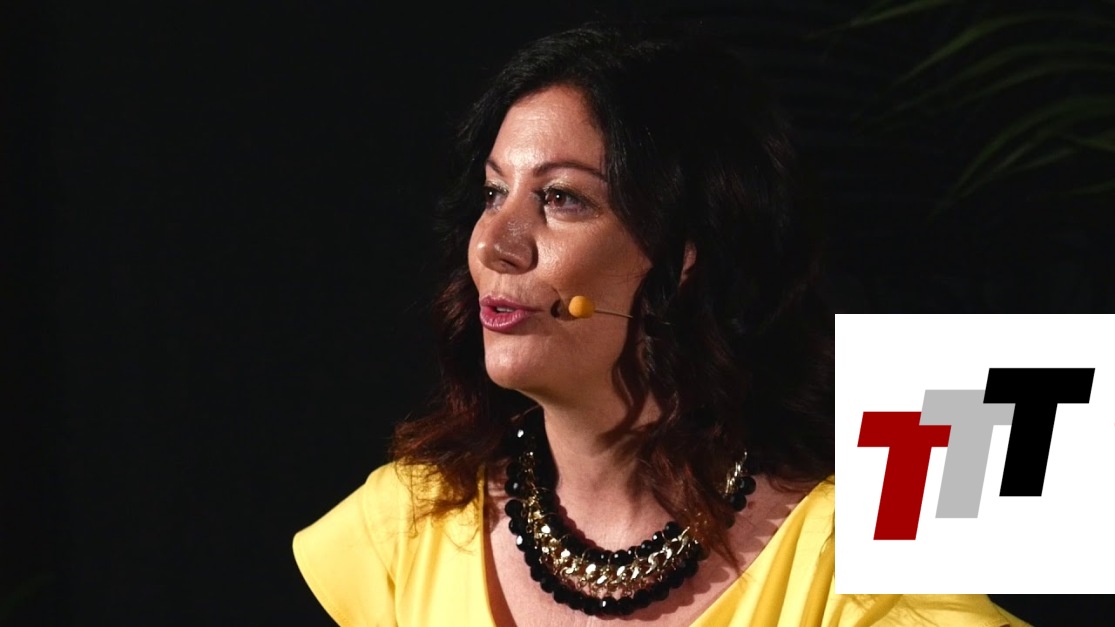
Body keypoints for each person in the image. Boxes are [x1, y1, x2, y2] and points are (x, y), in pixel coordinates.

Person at [293, 22, 1027, 626]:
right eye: (492, 193)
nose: (493, 244)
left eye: (561, 198)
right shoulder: (405, 523)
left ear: (684, 256)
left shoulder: (854, 561)